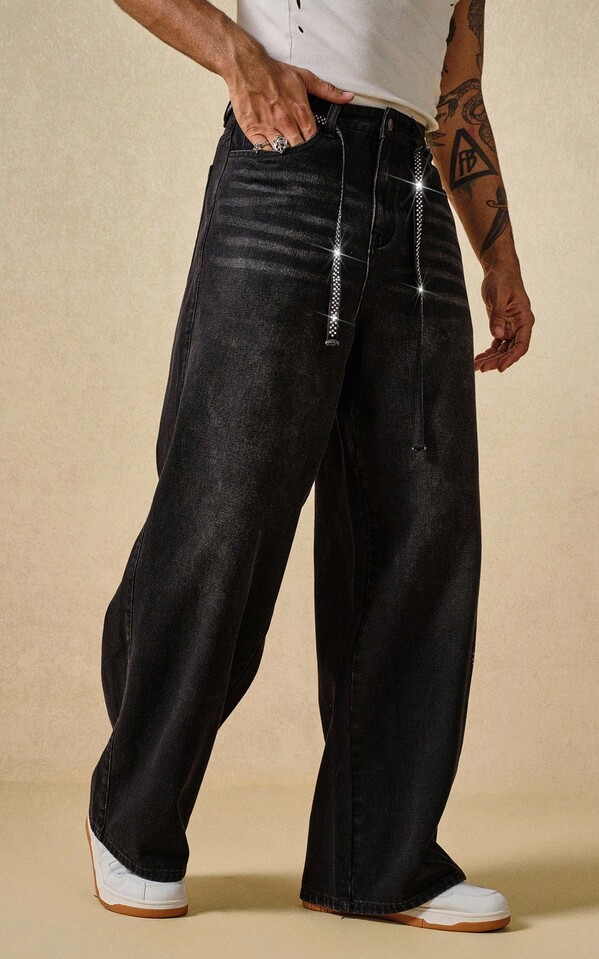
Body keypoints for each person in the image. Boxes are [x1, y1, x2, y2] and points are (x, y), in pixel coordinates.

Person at [85, 0, 534, 933]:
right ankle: (134, 815)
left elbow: (456, 89)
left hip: (414, 196)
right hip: (287, 161)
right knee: (223, 508)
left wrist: (500, 255)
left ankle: (380, 857)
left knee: (422, 530)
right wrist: (235, 53)